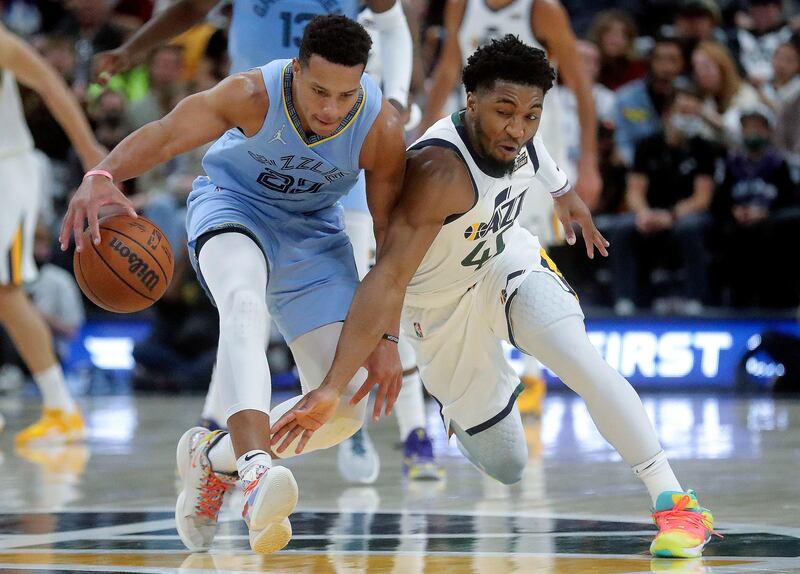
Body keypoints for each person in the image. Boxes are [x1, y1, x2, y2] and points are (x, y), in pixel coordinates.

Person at [271, 35, 719, 560]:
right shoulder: (440, 173)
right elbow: (388, 276)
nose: (518, 128)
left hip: (507, 265)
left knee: (580, 360)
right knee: (507, 465)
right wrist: (370, 353)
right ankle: (460, 409)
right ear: (471, 101)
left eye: (531, 114)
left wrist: (563, 191)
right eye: (504, 112)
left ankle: (676, 503)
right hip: (435, 311)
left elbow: (534, 146)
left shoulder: (517, 132)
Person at [60, 15, 406, 555]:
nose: (330, 109)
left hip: (313, 237)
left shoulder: (378, 127)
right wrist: (102, 175)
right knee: (244, 304)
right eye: (318, 90)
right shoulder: (252, 95)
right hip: (232, 208)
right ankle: (254, 469)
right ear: (295, 72)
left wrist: (386, 337)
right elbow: (169, 133)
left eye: (345, 94)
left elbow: (391, 244)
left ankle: (213, 457)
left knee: (345, 406)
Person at [418, 0, 602, 416]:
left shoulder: (543, 10)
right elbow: (448, 68)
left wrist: (588, 160)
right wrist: (423, 132)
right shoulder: (460, 6)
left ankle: (533, 371)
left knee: (529, 247)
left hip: (531, 141)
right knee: (476, 245)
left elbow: (581, 86)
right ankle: (488, 372)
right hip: (474, 141)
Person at [0, 23, 104, 445]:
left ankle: (61, 407)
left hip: (7, 171)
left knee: (6, 290)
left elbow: (50, 85)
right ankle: (59, 406)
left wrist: (89, 150)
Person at [608, 91, 716, 316]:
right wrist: (644, 213)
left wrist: (671, 215)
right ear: (668, 114)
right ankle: (624, 300)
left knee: (689, 228)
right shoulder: (648, 145)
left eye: (693, 114)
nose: (689, 119)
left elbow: (702, 198)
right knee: (622, 227)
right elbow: (634, 191)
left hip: (685, 213)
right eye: (683, 112)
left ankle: (695, 299)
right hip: (651, 212)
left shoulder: (703, 147)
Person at [613, 35, 685, 166]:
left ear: (682, 63)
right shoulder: (627, 97)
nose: (666, 66)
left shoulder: (688, 96)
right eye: (660, 59)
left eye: (673, 60)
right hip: (635, 167)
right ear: (651, 61)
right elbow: (622, 142)